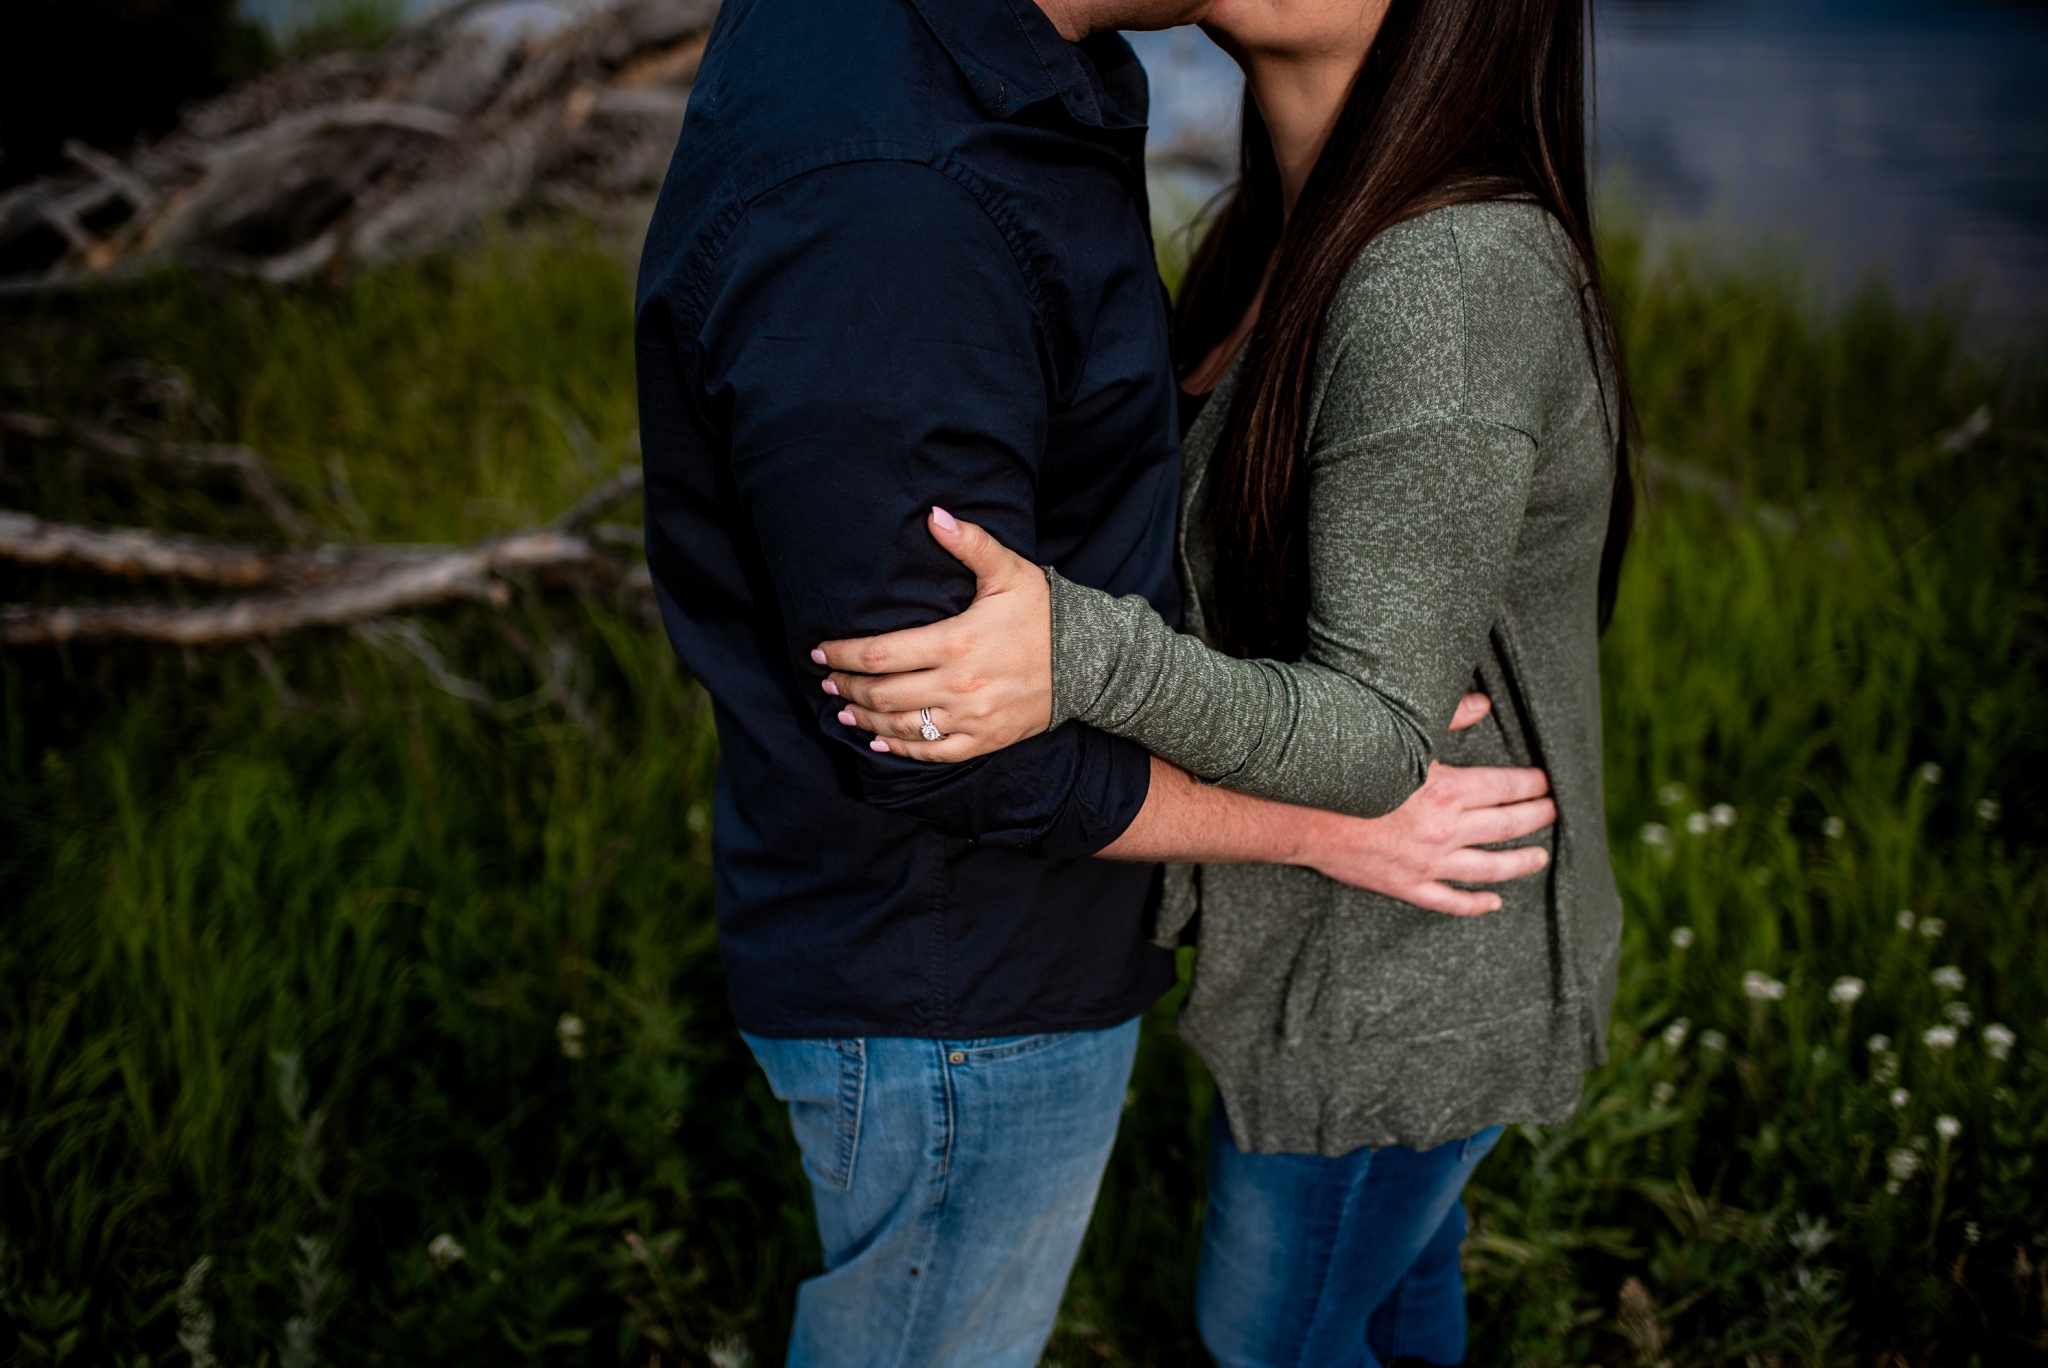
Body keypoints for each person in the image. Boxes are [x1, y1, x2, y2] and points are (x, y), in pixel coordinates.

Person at [635, 0, 1560, 1362]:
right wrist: (1324, 819)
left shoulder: (992, 84)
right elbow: (948, 734)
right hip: (958, 966)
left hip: (1004, 941)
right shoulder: (900, 206)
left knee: (1363, 1306)